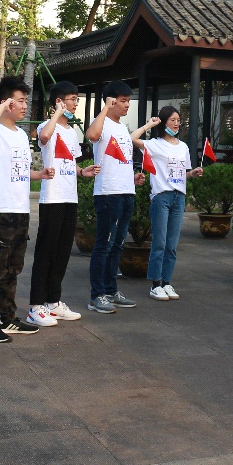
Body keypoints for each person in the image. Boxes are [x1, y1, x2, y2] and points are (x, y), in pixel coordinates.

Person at [0, 75, 54, 343]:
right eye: (19, 101)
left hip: (21, 209)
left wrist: (39, 174)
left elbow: (19, 170)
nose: (25, 106)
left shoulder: (21, 135)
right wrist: (1, 106)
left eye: (25, 101)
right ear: (6, 102)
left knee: (13, 268)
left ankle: (8, 318)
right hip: (0, 210)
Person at [26, 81, 98, 328]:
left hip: (70, 196)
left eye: (77, 99)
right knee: (46, 250)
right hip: (52, 197)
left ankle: (53, 302)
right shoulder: (48, 126)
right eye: (71, 99)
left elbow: (68, 162)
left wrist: (82, 171)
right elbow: (44, 137)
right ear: (58, 102)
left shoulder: (70, 132)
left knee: (63, 251)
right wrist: (56, 114)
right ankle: (35, 306)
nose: (76, 103)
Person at [132, 106, 202, 302]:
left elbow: (183, 173)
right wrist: (149, 125)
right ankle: (155, 284)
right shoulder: (155, 144)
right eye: (173, 120)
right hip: (161, 196)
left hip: (179, 197)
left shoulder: (183, 147)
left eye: (179, 120)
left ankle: (167, 282)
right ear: (164, 123)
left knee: (172, 244)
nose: (177, 123)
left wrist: (192, 173)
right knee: (160, 243)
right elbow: (132, 138)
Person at [86, 81, 144, 315]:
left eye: (128, 101)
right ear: (110, 101)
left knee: (117, 245)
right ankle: (97, 295)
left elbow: (122, 160)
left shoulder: (121, 128)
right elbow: (92, 135)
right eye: (122, 101)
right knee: (104, 245)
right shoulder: (101, 123)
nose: (127, 105)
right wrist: (104, 109)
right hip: (108, 193)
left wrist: (133, 178)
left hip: (126, 191)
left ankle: (111, 291)